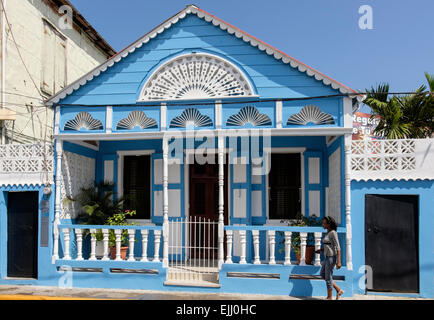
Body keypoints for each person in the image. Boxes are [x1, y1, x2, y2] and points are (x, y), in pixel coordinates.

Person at [315, 216, 344, 300]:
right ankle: (338, 290)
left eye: (324, 223)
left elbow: (338, 247)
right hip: (327, 257)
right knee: (323, 274)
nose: (322, 224)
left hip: (331, 258)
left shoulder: (333, 233)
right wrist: (321, 250)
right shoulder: (327, 233)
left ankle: (329, 297)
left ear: (329, 224)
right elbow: (329, 245)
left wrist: (339, 261)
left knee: (328, 277)